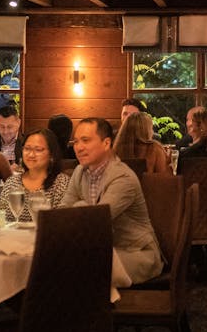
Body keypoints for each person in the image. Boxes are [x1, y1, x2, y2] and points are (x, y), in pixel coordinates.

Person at [60, 117, 163, 284]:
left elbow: (98, 221)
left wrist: (78, 207)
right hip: (101, 250)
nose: (78, 147)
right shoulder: (80, 171)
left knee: (79, 267)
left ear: (106, 143)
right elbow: (63, 211)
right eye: (76, 141)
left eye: (85, 141)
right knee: (57, 263)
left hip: (136, 253)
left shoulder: (123, 177)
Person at [0, 128, 70, 223]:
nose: (31, 154)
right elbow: (1, 218)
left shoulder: (61, 183)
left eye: (38, 150)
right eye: (27, 149)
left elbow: (62, 220)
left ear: (51, 155)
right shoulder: (12, 182)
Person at [113, 111, 171, 175]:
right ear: (146, 130)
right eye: (151, 128)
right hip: (148, 185)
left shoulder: (116, 150)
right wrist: (169, 165)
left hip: (122, 184)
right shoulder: (154, 148)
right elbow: (163, 178)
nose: (152, 131)